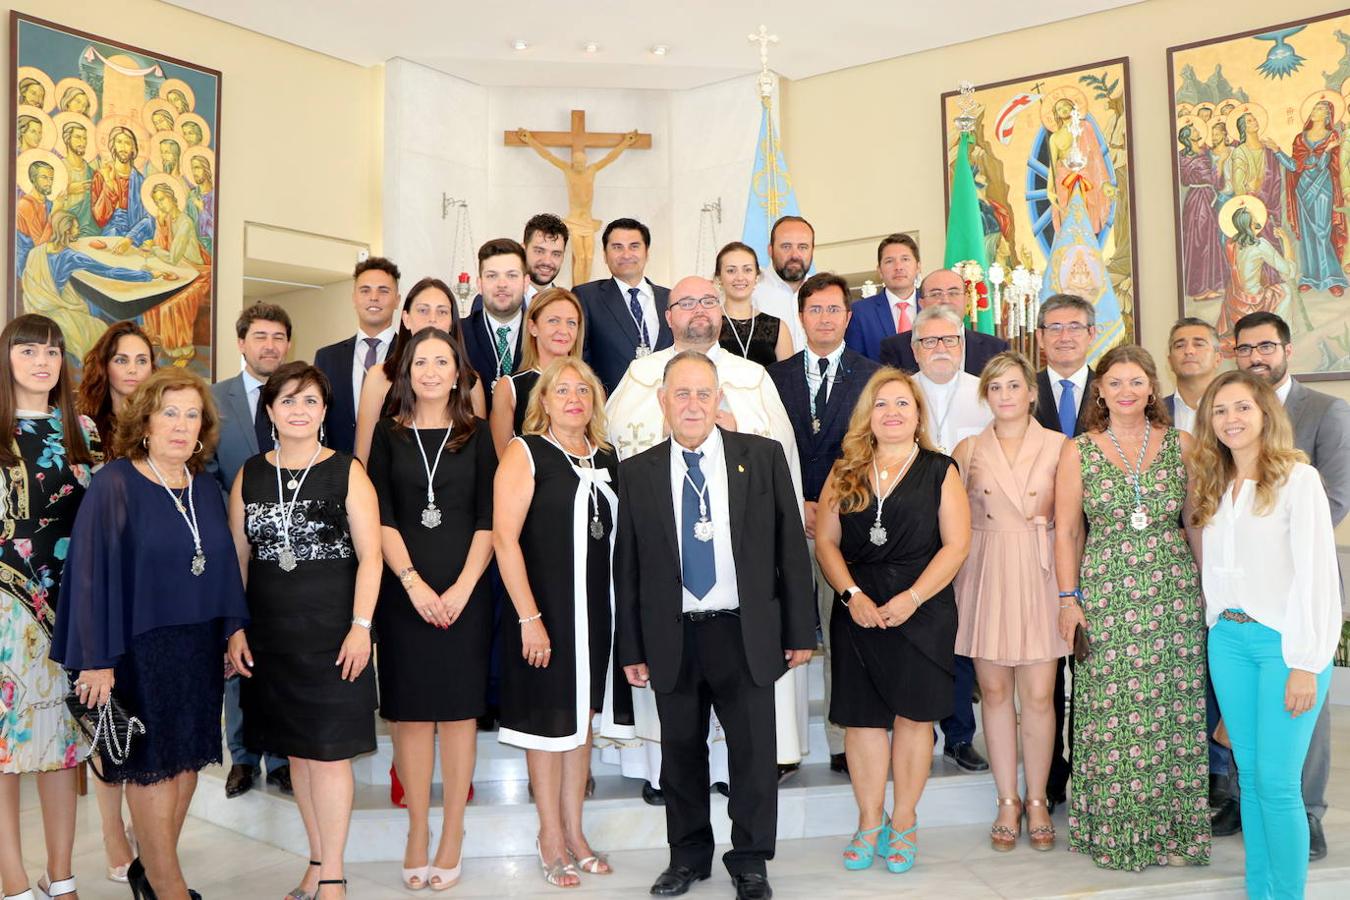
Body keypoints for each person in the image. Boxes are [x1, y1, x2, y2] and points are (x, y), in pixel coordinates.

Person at [615, 350, 814, 900]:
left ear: (719, 399)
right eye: (681, 393)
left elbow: (790, 551)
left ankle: (750, 859)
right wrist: (631, 644)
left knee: (752, 755)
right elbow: (626, 567)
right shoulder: (637, 472)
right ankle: (688, 858)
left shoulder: (762, 456)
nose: (694, 404)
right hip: (672, 633)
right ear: (663, 403)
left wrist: (800, 631)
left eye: (704, 393)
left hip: (742, 630)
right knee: (680, 754)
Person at [605, 276, 806, 802]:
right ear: (667, 315)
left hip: (743, 609)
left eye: (708, 301)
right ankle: (671, 801)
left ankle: (751, 853)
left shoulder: (750, 375)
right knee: (680, 745)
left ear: (724, 311)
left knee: (750, 744)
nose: (698, 311)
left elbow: (782, 477)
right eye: (685, 302)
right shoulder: (641, 375)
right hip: (673, 606)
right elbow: (619, 452)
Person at [52, 367, 250, 900]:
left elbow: (226, 563)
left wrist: (233, 629)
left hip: (199, 644)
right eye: (170, 413)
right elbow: (89, 575)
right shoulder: (116, 482)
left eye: (192, 415)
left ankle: (150, 868)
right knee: (151, 769)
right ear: (145, 421)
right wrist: (96, 659)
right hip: (140, 648)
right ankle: (169, 886)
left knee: (186, 764)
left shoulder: (205, 486)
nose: (181, 426)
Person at [227, 362, 380, 900]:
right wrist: (235, 629)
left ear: (324, 411)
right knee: (298, 754)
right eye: (288, 400)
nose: (299, 409)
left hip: (335, 635)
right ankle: (315, 862)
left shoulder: (347, 471)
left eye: (310, 400)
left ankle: (334, 873)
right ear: (269, 411)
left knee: (331, 754)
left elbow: (371, 557)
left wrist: (362, 627)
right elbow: (238, 561)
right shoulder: (251, 472)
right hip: (272, 638)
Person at [1054, 344, 1210, 871]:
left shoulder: (1182, 444)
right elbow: (1069, 530)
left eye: (1136, 381)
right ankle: (1117, 831)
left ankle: (1172, 832)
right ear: (1099, 389)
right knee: (1112, 714)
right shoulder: (1078, 450)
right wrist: (1068, 599)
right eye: (1115, 382)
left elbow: (1194, 522)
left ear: (1151, 387)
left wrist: (1208, 593)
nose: (1126, 391)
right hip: (1106, 591)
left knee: (1171, 710)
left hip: (1172, 591)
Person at [1190, 370, 1341, 899]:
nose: (1231, 419)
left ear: (1264, 415)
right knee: (1249, 780)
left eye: (1242, 408)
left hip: (1284, 646)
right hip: (1228, 643)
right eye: (1220, 410)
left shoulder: (1297, 480)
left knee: (1278, 786)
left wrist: (1305, 661)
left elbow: (1318, 577)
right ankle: (1262, 891)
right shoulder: (1216, 483)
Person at [814, 367, 971, 875]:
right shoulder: (844, 471)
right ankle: (867, 821)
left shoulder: (939, 469)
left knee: (914, 718)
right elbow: (826, 543)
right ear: (868, 415)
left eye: (903, 403)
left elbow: (957, 545)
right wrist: (850, 593)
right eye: (882, 404)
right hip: (858, 606)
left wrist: (913, 597)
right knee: (862, 721)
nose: (893, 413)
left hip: (922, 607)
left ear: (918, 414)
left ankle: (903, 821)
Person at [494, 357, 633, 888]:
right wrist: (530, 617)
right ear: (543, 401)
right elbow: (505, 540)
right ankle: (549, 837)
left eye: (583, 389)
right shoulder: (525, 452)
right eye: (562, 390)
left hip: (598, 615)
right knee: (547, 728)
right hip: (545, 613)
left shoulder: (609, 458)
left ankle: (576, 833)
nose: (574, 397)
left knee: (581, 729)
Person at [366, 328, 496, 891]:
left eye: (442, 361)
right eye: (421, 361)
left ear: (458, 371)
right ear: (406, 371)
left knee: (460, 715)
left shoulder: (480, 434)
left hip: (467, 590)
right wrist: (414, 584)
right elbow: (382, 517)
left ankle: (454, 833)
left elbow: (490, 519)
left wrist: (464, 587)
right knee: (412, 716)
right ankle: (418, 829)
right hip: (404, 594)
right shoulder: (388, 435)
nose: (431, 371)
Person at [1233, 310, 1350, 861]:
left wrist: (1275, 542)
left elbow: (1337, 498)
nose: (1256, 356)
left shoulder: (1326, 410)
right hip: (1242, 603)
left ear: (1286, 350)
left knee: (1306, 708)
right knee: (1252, 724)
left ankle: (1309, 811)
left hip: (1302, 588)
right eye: (1245, 348)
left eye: (1266, 346)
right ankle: (1246, 800)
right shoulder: (1229, 415)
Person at [950, 351, 1067, 852]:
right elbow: (951, 523)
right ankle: (1006, 800)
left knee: (1040, 697)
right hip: (986, 572)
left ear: (1031, 392)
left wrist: (1070, 592)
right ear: (985, 396)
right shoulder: (968, 448)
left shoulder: (1062, 446)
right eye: (995, 388)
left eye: (1014, 386)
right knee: (995, 695)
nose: (1005, 396)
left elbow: (1073, 527)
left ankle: (1037, 797)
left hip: (1041, 573)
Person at [0, 315, 99, 900]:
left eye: (54, 351)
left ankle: (62, 880)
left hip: (71, 611)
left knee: (62, 748)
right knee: (6, 749)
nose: (44, 361)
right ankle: (13, 883)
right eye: (30, 349)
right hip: (6, 612)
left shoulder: (80, 428)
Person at [768, 272, 880, 774]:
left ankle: (842, 740)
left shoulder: (872, 376)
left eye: (835, 310)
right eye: (816, 310)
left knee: (844, 636)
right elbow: (768, 451)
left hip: (849, 524)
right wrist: (800, 503)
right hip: (787, 524)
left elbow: (875, 451)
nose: (825, 318)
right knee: (785, 631)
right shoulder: (774, 378)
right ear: (802, 316)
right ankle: (783, 745)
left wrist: (829, 506)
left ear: (848, 317)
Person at [75, 321, 156, 883]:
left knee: (143, 715)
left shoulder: (166, 424)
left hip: (151, 590)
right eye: (121, 359)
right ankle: (111, 832)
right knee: (108, 716)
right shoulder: (82, 428)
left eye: (141, 359)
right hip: (99, 585)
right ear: (104, 367)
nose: (131, 369)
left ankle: (147, 829)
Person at [207, 303, 293, 799]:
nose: (270, 346)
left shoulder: (298, 396)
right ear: (241, 342)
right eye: (260, 336)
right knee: (237, 647)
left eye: (279, 337)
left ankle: (281, 756)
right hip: (231, 542)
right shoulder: (215, 398)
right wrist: (242, 515)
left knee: (279, 651)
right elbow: (206, 469)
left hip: (291, 551)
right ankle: (241, 756)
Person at [1032, 292, 1097, 806]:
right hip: (1036, 556)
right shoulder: (1021, 392)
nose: (1065, 336)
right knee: (1046, 673)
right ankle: (1051, 778)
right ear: (1039, 338)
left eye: (1075, 326)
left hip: (1105, 554)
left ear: (1093, 334)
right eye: (1054, 327)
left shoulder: (1118, 389)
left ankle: (1095, 773)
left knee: (1096, 672)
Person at [353, 276, 486, 464]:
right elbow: (364, 455)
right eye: (423, 310)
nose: (432, 319)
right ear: (406, 319)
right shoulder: (379, 376)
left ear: (451, 323)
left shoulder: (471, 381)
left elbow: (480, 453)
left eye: (442, 312)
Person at [314, 256, 402, 454]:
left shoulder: (410, 357)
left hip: (395, 471)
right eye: (365, 290)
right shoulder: (327, 358)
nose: (374, 297)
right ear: (354, 297)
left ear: (397, 300)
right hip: (336, 469)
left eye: (383, 290)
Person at [576, 219, 673, 395]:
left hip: (666, 409)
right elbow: (580, 360)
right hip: (611, 410)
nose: (626, 254)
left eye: (634, 246)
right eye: (617, 247)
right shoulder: (586, 297)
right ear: (605, 255)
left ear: (647, 252)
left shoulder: (670, 298)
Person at [489, 287, 583, 455]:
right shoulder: (510, 387)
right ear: (533, 327)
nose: (563, 330)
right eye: (553, 321)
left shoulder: (589, 385)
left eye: (571, 322)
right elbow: (504, 459)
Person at [878, 269, 1009, 375]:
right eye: (935, 294)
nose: (945, 300)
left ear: (966, 300)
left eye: (953, 293)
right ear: (921, 304)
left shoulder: (996, 349)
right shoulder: (895, 348)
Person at [462, 238, 531, 411]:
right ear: (479, 284)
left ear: (526, 283)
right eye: (492, 276)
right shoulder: (458, 333)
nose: (502, 284)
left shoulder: (541, 334)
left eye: (511, 275)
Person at [471, 213, 571, 312]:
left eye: (556, 254)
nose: (547, 261)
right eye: (539, 251)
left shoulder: (569, 306)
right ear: (523, 249)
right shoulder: (488, 300)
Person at [845, 233, 921, 362]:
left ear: (918, 267)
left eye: (905, 259)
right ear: (879, 271)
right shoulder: (860, 313)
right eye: (889, 261)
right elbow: (855, 364)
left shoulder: (933, 306)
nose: (898, 267)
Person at [714, 241, 792, 366]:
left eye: (747, 270)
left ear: (756, 276)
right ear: (718, 277)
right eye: (731, 271)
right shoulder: (709, 325)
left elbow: (788, 379)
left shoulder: (778, 327)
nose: (740, 277)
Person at [752, 215, 813, 351]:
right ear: (770, 250)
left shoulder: (821, 291)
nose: (795, 255)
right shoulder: (751, 292)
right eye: (786, 246)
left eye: (803, 247)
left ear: (812, 250)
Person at [1163, 317, 1221, 436]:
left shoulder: (1234, 410)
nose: (1189, 351)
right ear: (1170, 362)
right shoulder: (1154, 413)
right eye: (1179, 346)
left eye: (1199, 344)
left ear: (1218, 358)